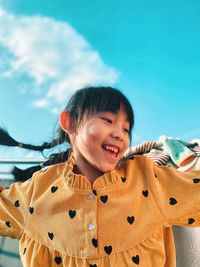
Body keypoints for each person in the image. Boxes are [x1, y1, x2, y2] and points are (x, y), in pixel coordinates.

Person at [0, 86, 200, 267]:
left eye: (126, 129)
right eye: (108, 120)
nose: (120, 135)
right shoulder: (34, 193)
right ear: (69, 122)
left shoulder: (148, 179)